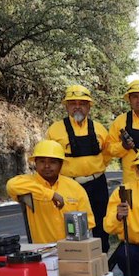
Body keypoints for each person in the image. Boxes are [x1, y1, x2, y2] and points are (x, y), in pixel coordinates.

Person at [45, 84, 111, 252]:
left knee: (100, 226)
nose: (77, 107)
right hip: (68, 185)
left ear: (89, 106)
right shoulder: (55, 130)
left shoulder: (100, 129)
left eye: (82, 103)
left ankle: (101, 264)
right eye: (72, 103)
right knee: (68, 226)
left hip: (97, 184)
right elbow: (48, 159)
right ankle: (70, 260)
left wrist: (97, 168)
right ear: (66, 106)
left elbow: (108, 152)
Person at [6, 140, 94, 243]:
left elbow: (88, 221)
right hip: (41, 250)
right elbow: (11, 185)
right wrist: (50, 195)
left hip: (71, 249)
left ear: (61, 165)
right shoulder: (27, 183)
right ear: (35, 163)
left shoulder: (74, 187)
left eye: (52, 162)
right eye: (42, 161)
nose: (47, 166)